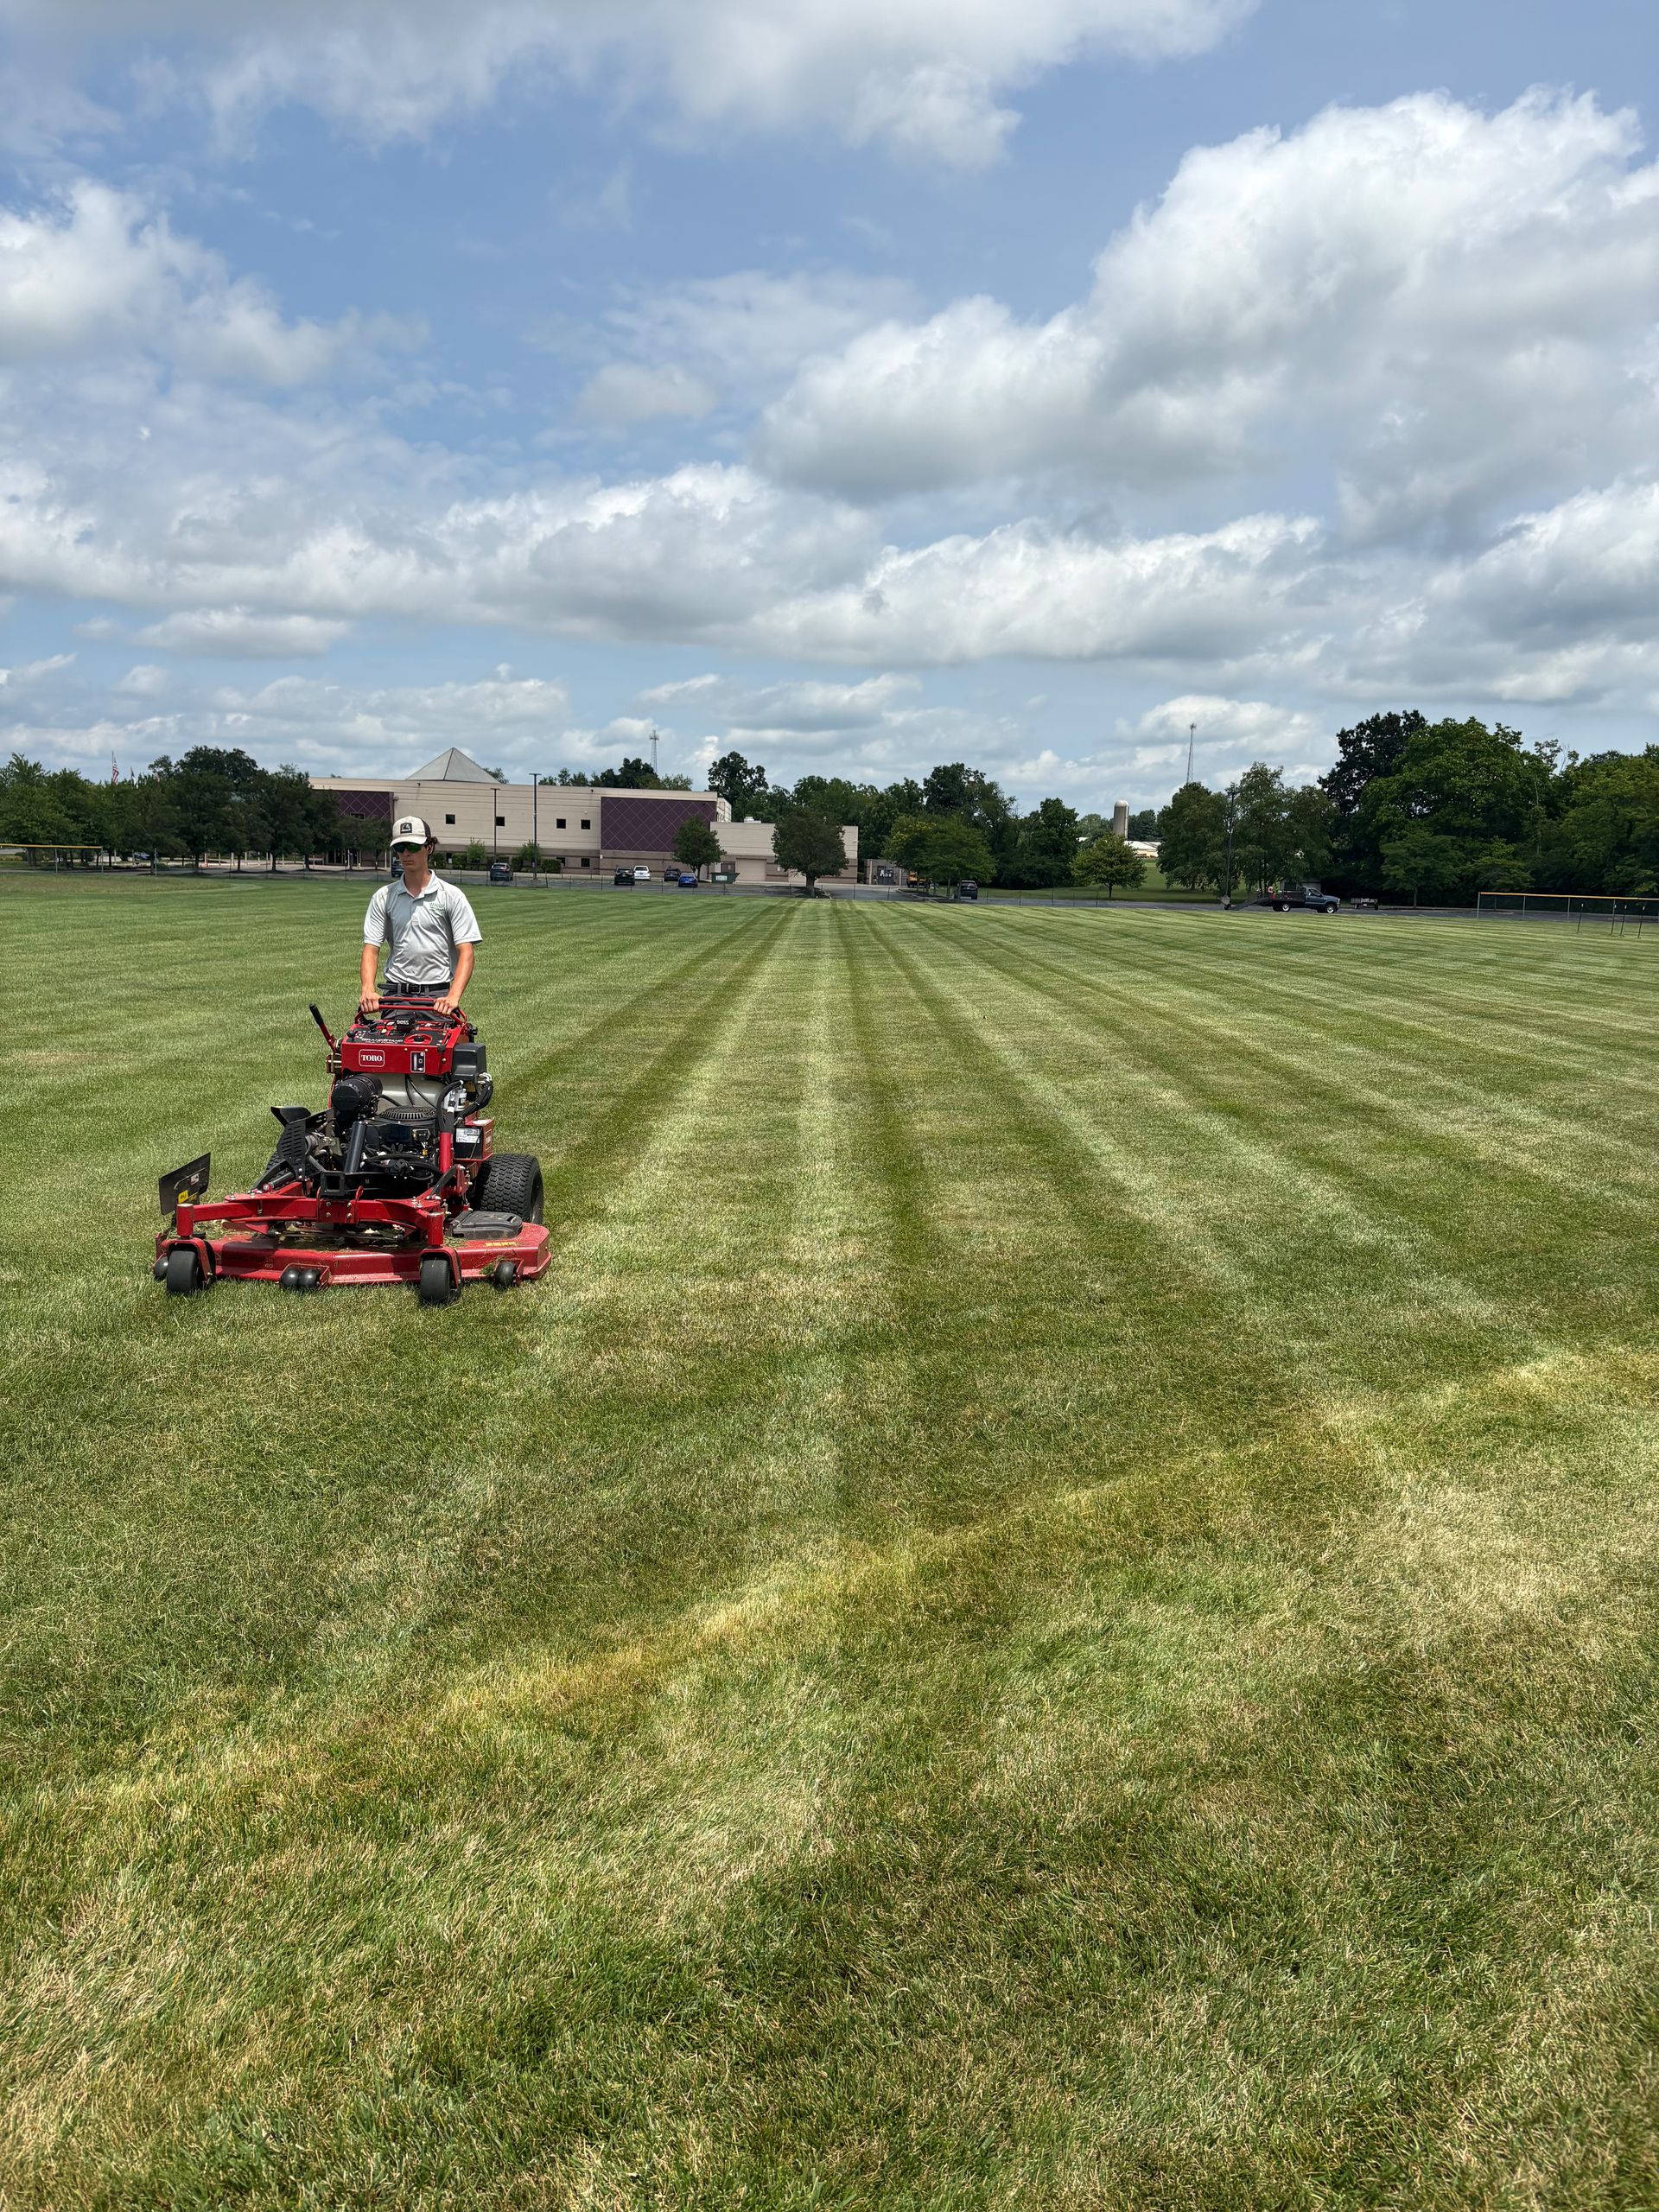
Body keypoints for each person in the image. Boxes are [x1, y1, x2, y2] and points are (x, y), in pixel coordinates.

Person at [359, 817, 481, 1016]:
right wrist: (368, 989)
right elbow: (371, 949)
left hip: (437, 996)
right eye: (400, 847)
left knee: (440, 1047)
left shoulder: (451, 896)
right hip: (395, 994)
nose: (406, 853)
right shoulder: (383, 897)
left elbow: (466, 952)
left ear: (429, 847)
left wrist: (453, 996)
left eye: (413, 846)